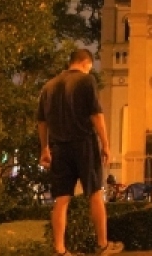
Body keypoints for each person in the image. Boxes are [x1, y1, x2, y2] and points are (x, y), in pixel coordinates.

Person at [38, 48, 123, 256]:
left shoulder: (48, 86)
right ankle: (102, 245)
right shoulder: (86, 81)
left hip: (59, 146)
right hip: (83, 143)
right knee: (95, 193)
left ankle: (59, 249)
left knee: (61, 198)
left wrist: (45, 148)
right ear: (86, 63)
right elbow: (96, 115)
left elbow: (41, 121)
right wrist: (106, 144)